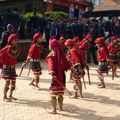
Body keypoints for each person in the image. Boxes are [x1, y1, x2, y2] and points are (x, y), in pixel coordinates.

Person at [46, 39, 70, 114]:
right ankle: (60, 107)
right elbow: (67, 64)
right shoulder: (62, 54)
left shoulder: (51, 55)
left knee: (53, 93)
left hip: (55, 76)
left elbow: (51, 65)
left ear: (51, 46)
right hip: (62, 75)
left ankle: (54, 109)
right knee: (60, 92)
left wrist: (52, 72)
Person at [0, 34, 20, 102]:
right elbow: (1, 54)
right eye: (14, 40)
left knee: (13, 83)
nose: (16, 41)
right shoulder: (6, 48)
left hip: (13, 68)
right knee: (7, 83)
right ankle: (4, 97)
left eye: (17, 40)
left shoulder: (16, 48)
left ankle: (10, 96)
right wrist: (3, 64)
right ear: (10, 41)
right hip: (7, 67)